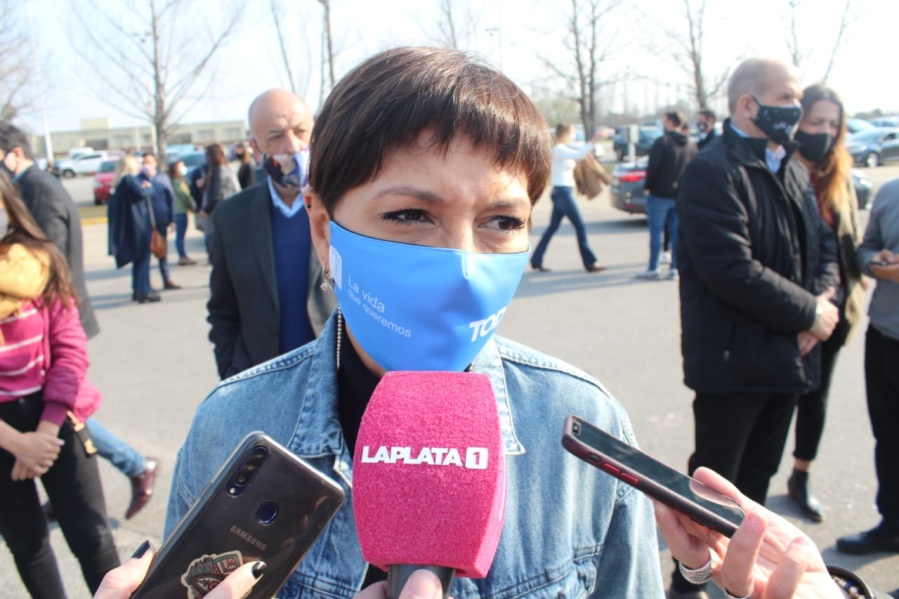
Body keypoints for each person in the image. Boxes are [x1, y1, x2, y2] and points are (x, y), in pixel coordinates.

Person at [164, 47, 870, 599]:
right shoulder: (234, 428)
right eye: (411, 215)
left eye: (501, 221)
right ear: (323, 228)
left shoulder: (580, 425)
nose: (463, 265)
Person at [671, 57, 840, 598]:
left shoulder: (788, 164)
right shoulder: (711, 169)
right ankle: (689, 578)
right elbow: (731, 269)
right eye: (787, 98)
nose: (796, 109)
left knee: (758, 485)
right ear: (749, 104)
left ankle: (744, 576)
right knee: (714, 488)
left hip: (786, 361)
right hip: (732, 365)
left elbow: (824, 246)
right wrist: (808, 313)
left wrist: (824, 302)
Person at [0, 126, 158, 519]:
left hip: (52, 317)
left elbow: (42, 260)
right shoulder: (40, 182)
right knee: (69, 409)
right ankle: (86, 473)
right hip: (53, 315)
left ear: (13, 153)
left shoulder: (34, 188)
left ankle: (134, 464)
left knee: (69, 410)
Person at [0, 173, 120, 597]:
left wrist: (45, 434)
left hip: (56, 417)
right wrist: (18, 443)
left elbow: (70, 351)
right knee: (27, 545)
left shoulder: (41, 260)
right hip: (4, 436)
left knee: (94, 538)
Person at [207, 89, 336, 380]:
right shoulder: (231, 217)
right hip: (262, 381)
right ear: (255, 148)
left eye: (301, 131)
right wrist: (232, 373)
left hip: (338, 379)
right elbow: (222, 311)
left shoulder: (344, 206)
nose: (292, 146)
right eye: (276, 136)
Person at [787, 84, 867, 523]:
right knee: (777, 401)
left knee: (817, 399)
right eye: (816, 121)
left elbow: (849, 247)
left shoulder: (841, 176)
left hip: (836, 308)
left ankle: (801, 475)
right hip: (789, 312)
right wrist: (804, 312)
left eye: (832, 124)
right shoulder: (781, 170)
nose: (824, 131)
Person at [836, 177, 899, 561]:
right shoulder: (890, 192)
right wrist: (877, 263)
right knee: (889, 439)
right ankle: (892, 526)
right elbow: (866, 250)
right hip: (884, 336)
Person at [529, 123, 606, 273]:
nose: (574, 134)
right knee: (580, 226)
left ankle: (536, 259)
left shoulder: (563, 149)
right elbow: (578, 155)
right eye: (572, 132)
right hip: (563, 193)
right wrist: (595, 138)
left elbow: (579, 154)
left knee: (552, 228)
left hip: (563, 192)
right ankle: (590, 262)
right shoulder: (559, 149)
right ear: (564, 133)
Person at [636, 111, 697, 281]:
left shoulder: (662, 143)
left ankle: (653, 267)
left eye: (664, 120)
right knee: (676, 233)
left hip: (659, 194)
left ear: (670, 122)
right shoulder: (690, 146)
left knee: (656, 232)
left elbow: (653, 167)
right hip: (679, 194)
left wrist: (648, 186)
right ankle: (674, 268)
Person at [109, 154, 160, 303]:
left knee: (139, 260)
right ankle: (144, 290)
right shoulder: (129, 179)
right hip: (138, 226)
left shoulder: (121, 182)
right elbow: (140, 194)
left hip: (131, 226)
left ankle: (138, 289)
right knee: (143, 259)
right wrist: (149, 187)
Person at [139, 153, 179, 290]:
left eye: (149, 162)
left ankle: (166, 278)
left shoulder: (162, 178)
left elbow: (171, 199)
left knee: (162, 250)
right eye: (144, 162)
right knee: (146, 254)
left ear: (155, 163)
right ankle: (146, 283)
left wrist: (171, 219)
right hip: (144, 222)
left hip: (161, 219)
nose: (146, 165)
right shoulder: (138, 179)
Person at [168, 159, 197, 266]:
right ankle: (182, 256)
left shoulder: (171, 180)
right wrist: (192, 206)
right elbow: (185, 195)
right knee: (180, 236)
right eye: (181, 166)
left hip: (177, 211)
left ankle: (182, 255)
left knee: (180, 235)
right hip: (180, 211)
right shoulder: (177, 182)